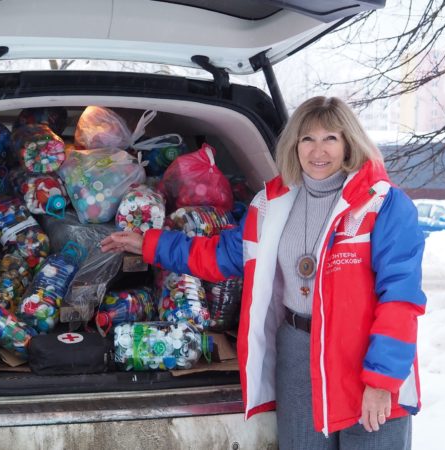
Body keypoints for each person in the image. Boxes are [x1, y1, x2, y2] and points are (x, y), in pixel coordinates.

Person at [100, 96, 425, 450]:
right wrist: (148, 244)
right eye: (307, 139)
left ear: (349, 142)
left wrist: (382, 381)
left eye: (330, 138)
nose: (318, 150)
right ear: (294, 145)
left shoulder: (383, 204)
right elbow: (219, 256)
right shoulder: (272, 203)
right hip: (297, 352)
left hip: (361, 356)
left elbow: (400, 299)